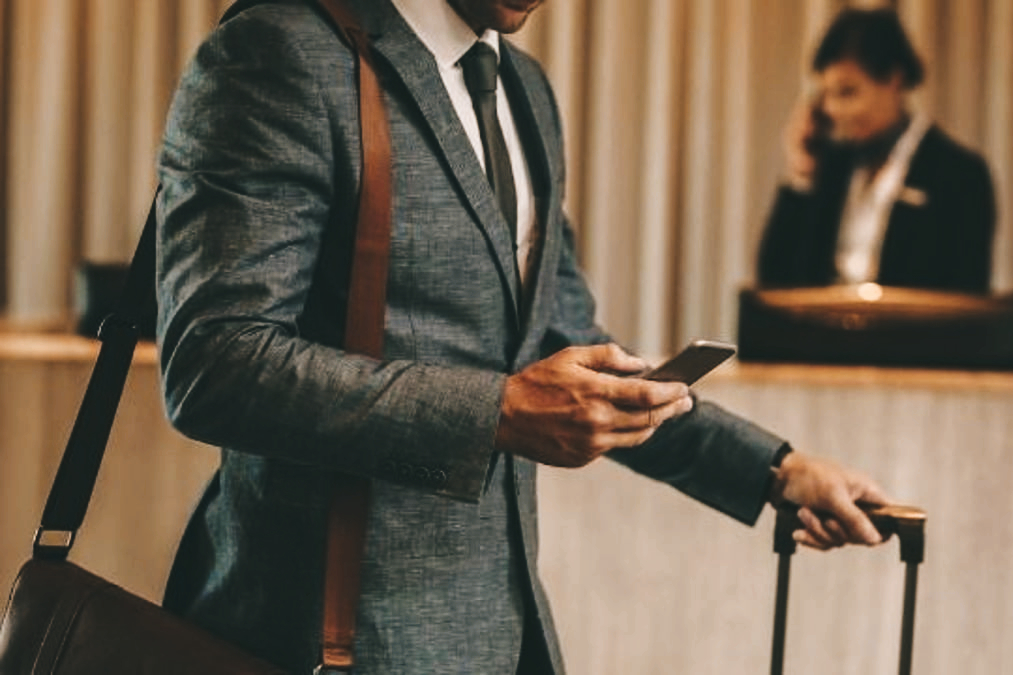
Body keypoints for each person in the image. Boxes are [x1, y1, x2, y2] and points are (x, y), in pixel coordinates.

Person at [155, 0, 890, 673]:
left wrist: (774, 470)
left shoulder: (527, 91)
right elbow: (214, 362)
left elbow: (565, 339)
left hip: (510, 633)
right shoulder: (279, 52)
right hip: (333, 637)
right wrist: (497, 411)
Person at [757, 7, 996, 294]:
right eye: (826, 95)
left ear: (893, 80)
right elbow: (775, 281)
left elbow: (964, 300)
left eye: (847, 92)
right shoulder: (833, 167)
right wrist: (802, 173)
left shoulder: (957, 174)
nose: (833, 110)